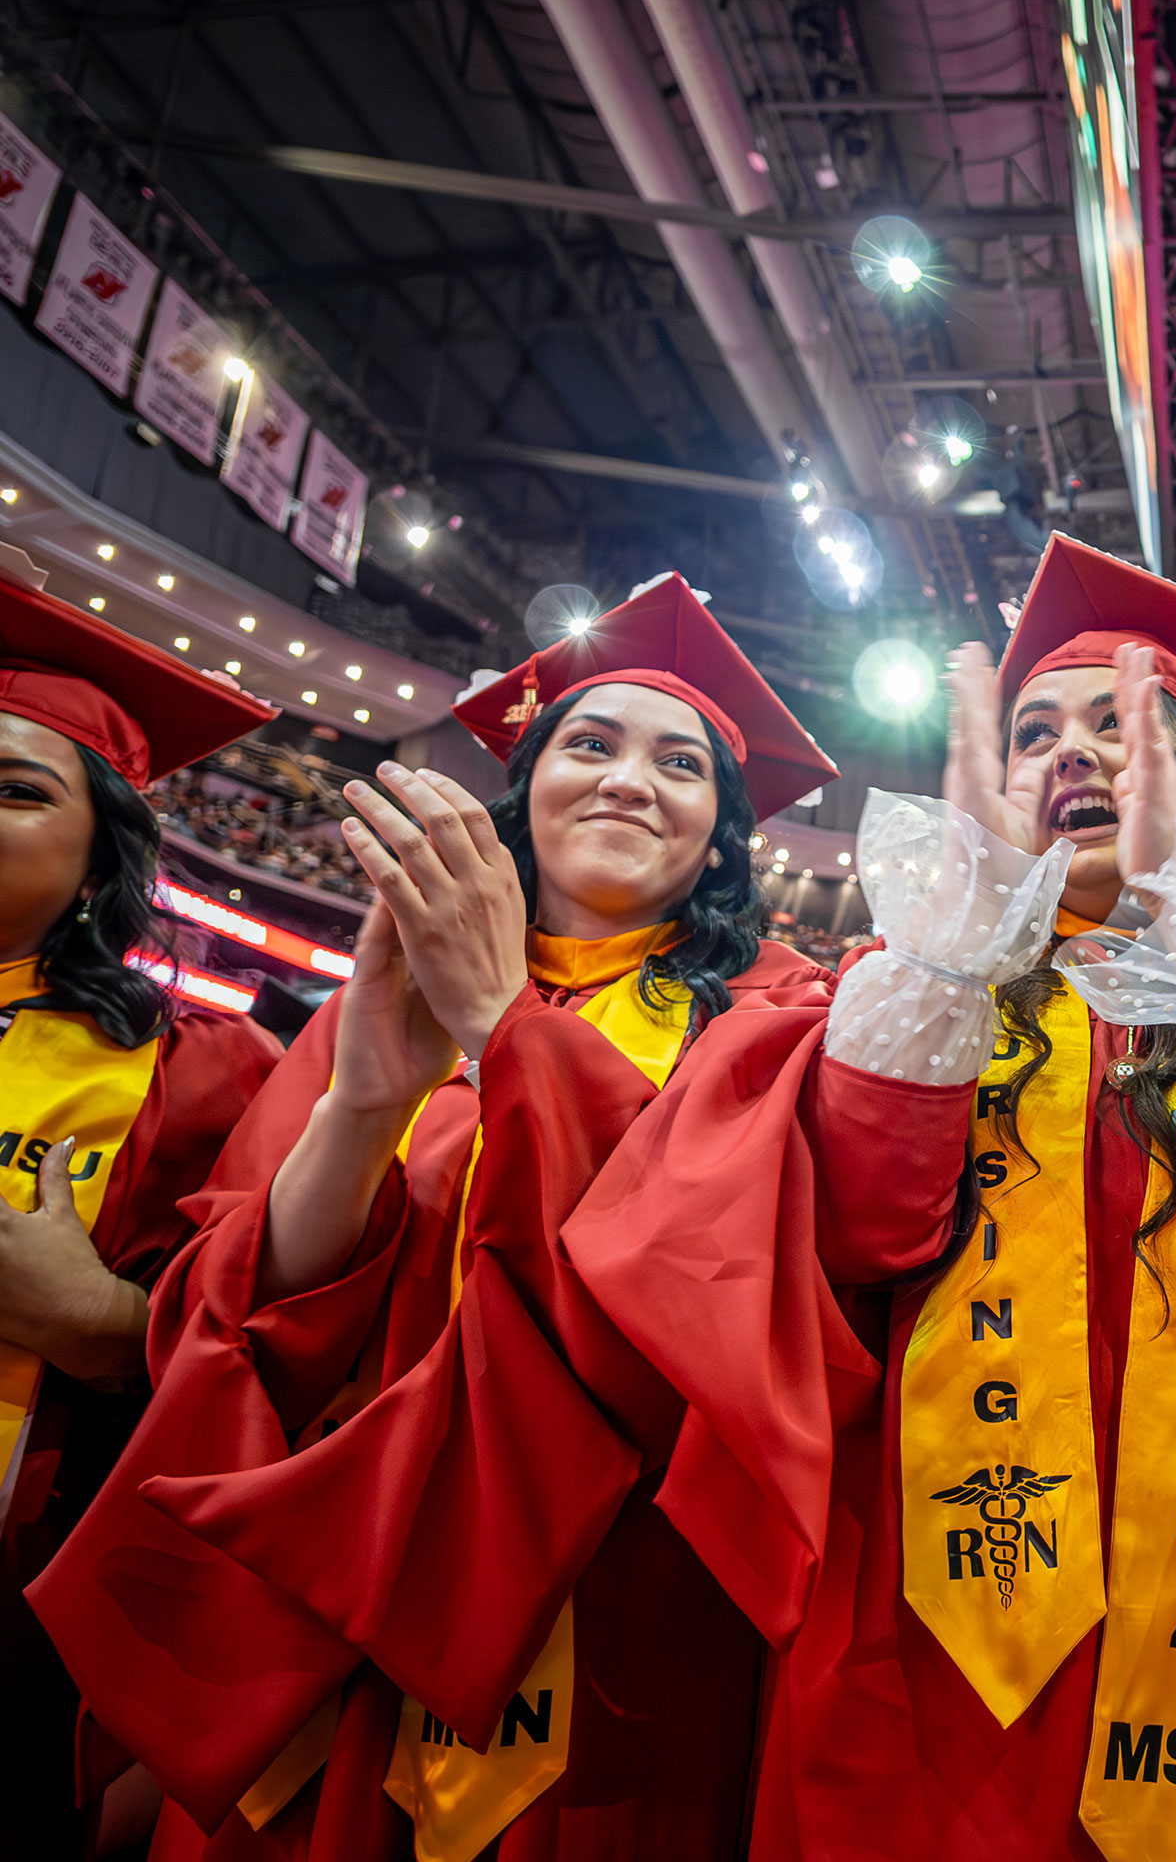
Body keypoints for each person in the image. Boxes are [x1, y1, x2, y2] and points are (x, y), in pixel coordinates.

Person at [561, 534, 1176, 1862]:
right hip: (943, 1640)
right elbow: (861, 1219)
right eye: (1035, 733)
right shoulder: (900, 996)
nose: (1073, 753)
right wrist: (954, 940)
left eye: (1122, 725)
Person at [27, 574, 910, 1861]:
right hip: (347, 1571)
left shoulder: (779, 1021)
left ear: (723, 834)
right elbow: (256, 1312)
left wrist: (508, 1027)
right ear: (526, 785)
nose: (626, 780)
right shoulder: (376, 997)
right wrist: (369, 1097)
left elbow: (711, 1309)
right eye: (589, 745)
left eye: (680, 765)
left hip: (617, 1603)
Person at [0, 545, 284, 1857]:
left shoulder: (193, 1074)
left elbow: (266, 1359)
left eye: (12, 788)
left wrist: (101, 1323)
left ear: (101, 851)